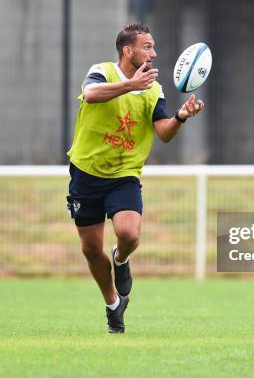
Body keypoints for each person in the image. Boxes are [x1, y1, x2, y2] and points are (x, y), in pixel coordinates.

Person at [66, 23, 205, 333]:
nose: (153, 53)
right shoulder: (102, 71)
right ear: (128, 51)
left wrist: (180, 117)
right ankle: (113, 304)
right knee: (90, 249)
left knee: (129, 235)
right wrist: (130, 85)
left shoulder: (153, 89)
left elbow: (164, 134)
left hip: (124, 175)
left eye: (154, 47)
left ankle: (121, 259)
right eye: (147, 46)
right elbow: (90, 94)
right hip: (86, 174)